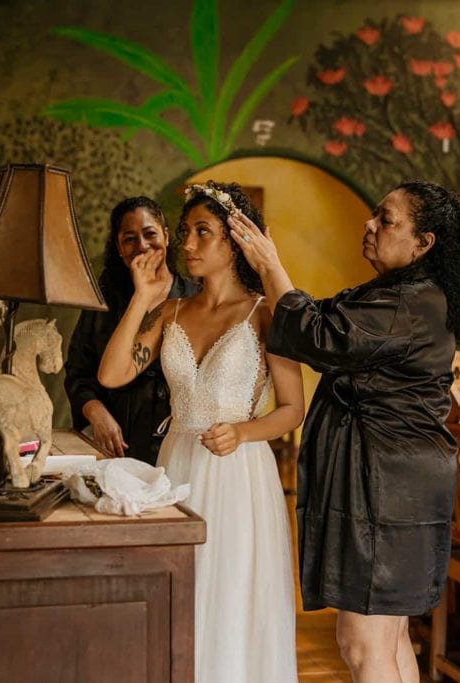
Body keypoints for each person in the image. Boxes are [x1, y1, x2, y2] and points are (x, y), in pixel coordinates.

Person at [228, 180, 460, 683]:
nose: (369, 225)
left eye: (386, 220)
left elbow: (320, 336)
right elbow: (321, 322)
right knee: (387, 639)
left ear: (423, 243)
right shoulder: (403, 294)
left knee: (364, 645)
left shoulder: (410, 302)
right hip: (391, 484)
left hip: (388, 488)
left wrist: (270, 266)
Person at [98, 181, 303, 683]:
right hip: (176, 468)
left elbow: (294, 409)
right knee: (180, 595)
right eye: (185, 231)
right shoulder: (171, 311)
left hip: (238, 475)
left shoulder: (266, 314)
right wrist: (143, 296)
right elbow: (111, 374)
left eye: (202, 233)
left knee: (229, 595)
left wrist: (243, 431)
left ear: (234, 242)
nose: (185, 244)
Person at [65, 197, 199, 463]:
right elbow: (78, 372)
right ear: (118, 247)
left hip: (181, 445)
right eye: (129, 239)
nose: (142, 246)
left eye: (150, 234)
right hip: (117, 443)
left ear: (166, 236)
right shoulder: (103, 302)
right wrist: (95, 413)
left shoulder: (196, 297)